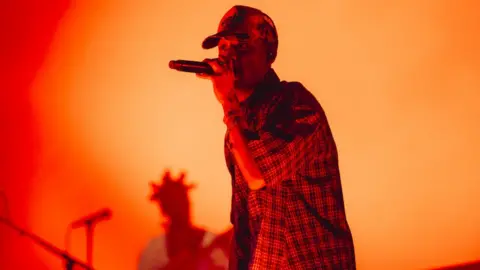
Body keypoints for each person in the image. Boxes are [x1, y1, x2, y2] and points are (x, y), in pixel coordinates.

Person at [197, 5, 356, 269]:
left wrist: (228, 102)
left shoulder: (297, 106)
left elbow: (258, 175)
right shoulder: (239, 126)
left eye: (241, 47)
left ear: (269, 53)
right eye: (224, 48)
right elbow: (244, 219)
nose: (230, 57)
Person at [137, 170, 230, 270]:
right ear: (165, 209)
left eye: (185, 201)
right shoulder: (153, 250)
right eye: (175, 203)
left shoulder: (210, 240)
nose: (183, 208)